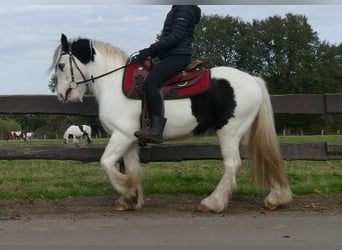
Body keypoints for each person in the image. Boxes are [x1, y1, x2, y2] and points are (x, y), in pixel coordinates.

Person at [132, 5, 201, 144]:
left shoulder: (184, 8)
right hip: (171, 55)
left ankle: (156, 130)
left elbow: (175, 37)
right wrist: (148, 53)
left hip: (178, 56)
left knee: (151, 82)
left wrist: (150, 51)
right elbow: (169, 38)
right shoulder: (179, 8)